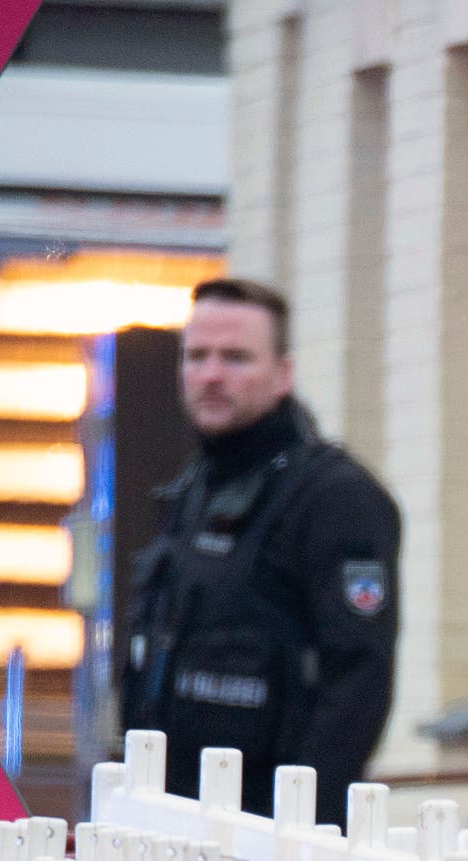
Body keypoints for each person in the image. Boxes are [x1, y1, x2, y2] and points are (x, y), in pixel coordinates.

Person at [126, 276, 399, 822]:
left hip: (271, 845)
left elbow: (358, 685)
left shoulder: (336, 499)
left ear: (284, 374)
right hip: (171, 823)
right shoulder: (191, 494)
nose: (211, 375)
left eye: (235, 358)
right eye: (197, 356)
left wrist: (297, 835)